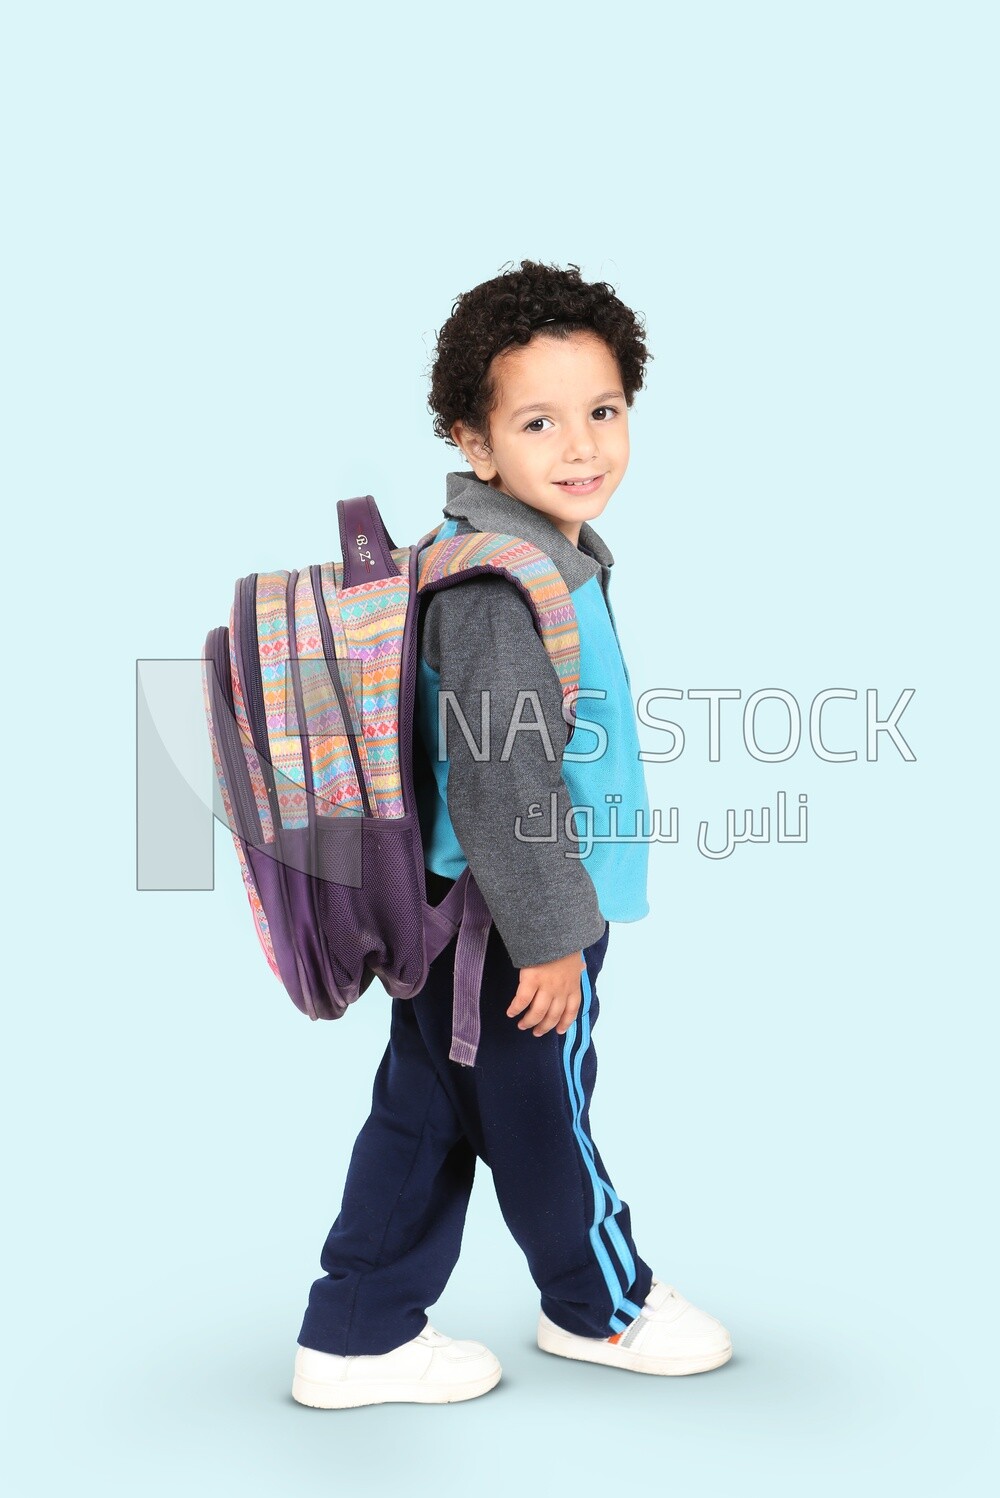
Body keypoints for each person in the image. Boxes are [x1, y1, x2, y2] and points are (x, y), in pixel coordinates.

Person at [291, 260, 732, 1410]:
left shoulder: (536, 552)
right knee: (546, 1120)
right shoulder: (501, 582)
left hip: (467, 925)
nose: (582, 445)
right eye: (538, 421)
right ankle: (603, 1306)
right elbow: (498, 781)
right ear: (473, 442)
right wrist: (548, 939)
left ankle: (355, 1330)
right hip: (507, 928)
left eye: (604, 411)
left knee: (430, 1113)